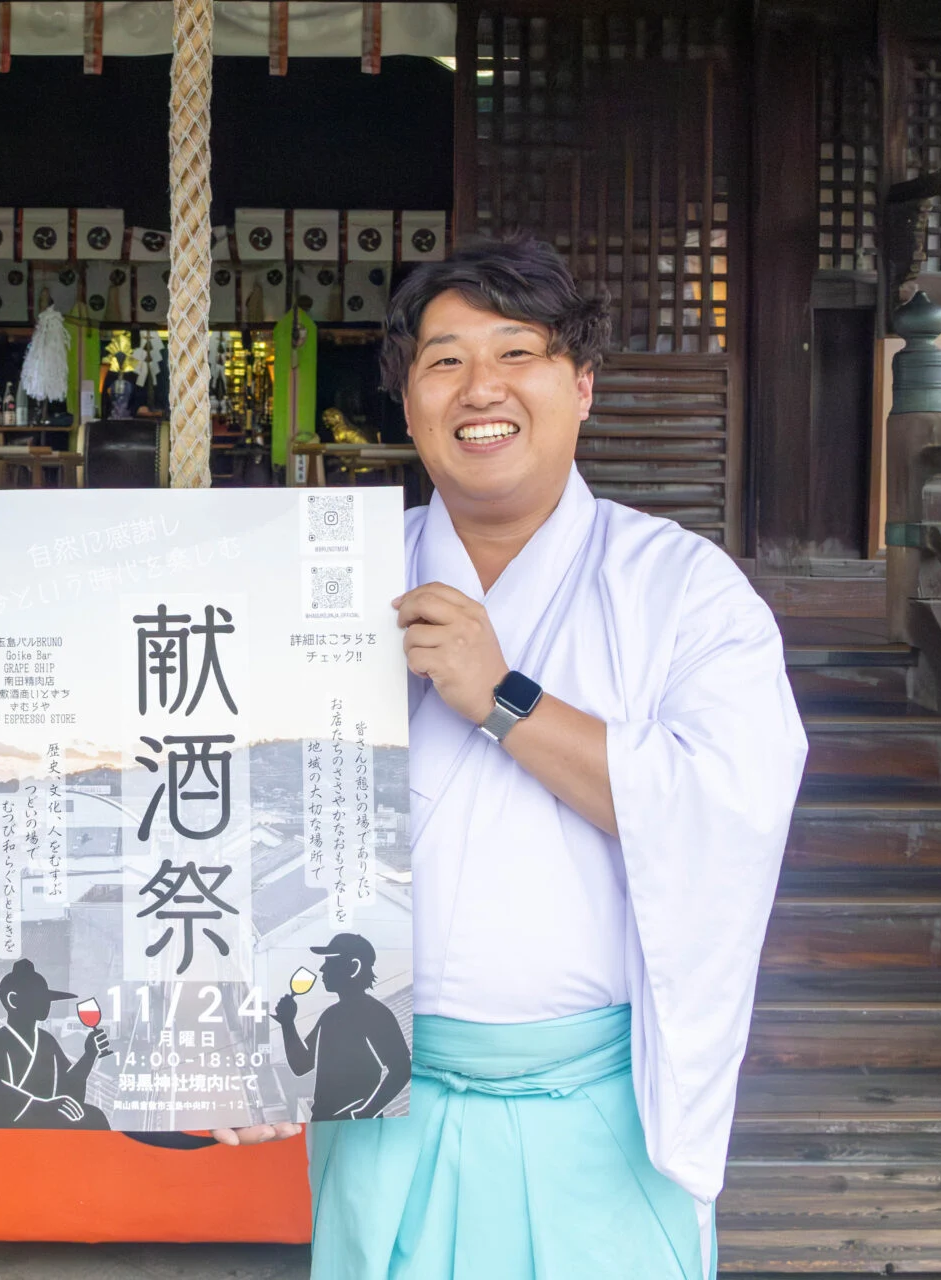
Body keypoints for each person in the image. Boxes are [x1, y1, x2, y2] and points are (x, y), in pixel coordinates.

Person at [267, 237, 806, 1278]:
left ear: (582, 385)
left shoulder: (684, 588)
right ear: (408, 401)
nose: (482, 388)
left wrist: (503, 697)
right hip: (385, 1106)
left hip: (604, 1118)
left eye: (518, 353)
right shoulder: (329, 585)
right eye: (445, 361)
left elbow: (731, 809)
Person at [274, 933, 410, 1121]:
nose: (322, 969)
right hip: (324, 1122)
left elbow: (402, 1070)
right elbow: (301, 1065)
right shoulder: (330, 1016)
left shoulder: (375, 1014)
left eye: (330, 962)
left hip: (356, 1128)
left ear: (353, 967)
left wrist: (366, 1112)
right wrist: (287, 1023)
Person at [0, 958, 111, 1128]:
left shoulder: (47, 1040)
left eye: (47, 998)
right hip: (7, 1128)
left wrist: (89, 1055)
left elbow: (67, 1084)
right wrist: (44, 1107)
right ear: (13, 1000)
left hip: (42, 1123)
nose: (47, 1003)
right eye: (39, 998)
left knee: (94, 1116)